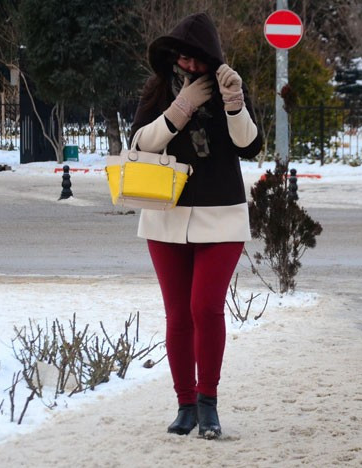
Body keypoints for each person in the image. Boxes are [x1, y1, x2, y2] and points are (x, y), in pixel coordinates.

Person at [128, 12, 263, 439]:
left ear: (211, 61)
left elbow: (249, 145)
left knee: (205, 308)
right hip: (165, 219)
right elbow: (138, 143)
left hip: (221, 218)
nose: (188, 67)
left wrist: (234, 103)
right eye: (181, 59)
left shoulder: (229, 89)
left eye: (196, 60)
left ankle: (209, 403)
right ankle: (185, 404)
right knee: (177, 315)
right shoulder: (159, 90)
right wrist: (178, 111)